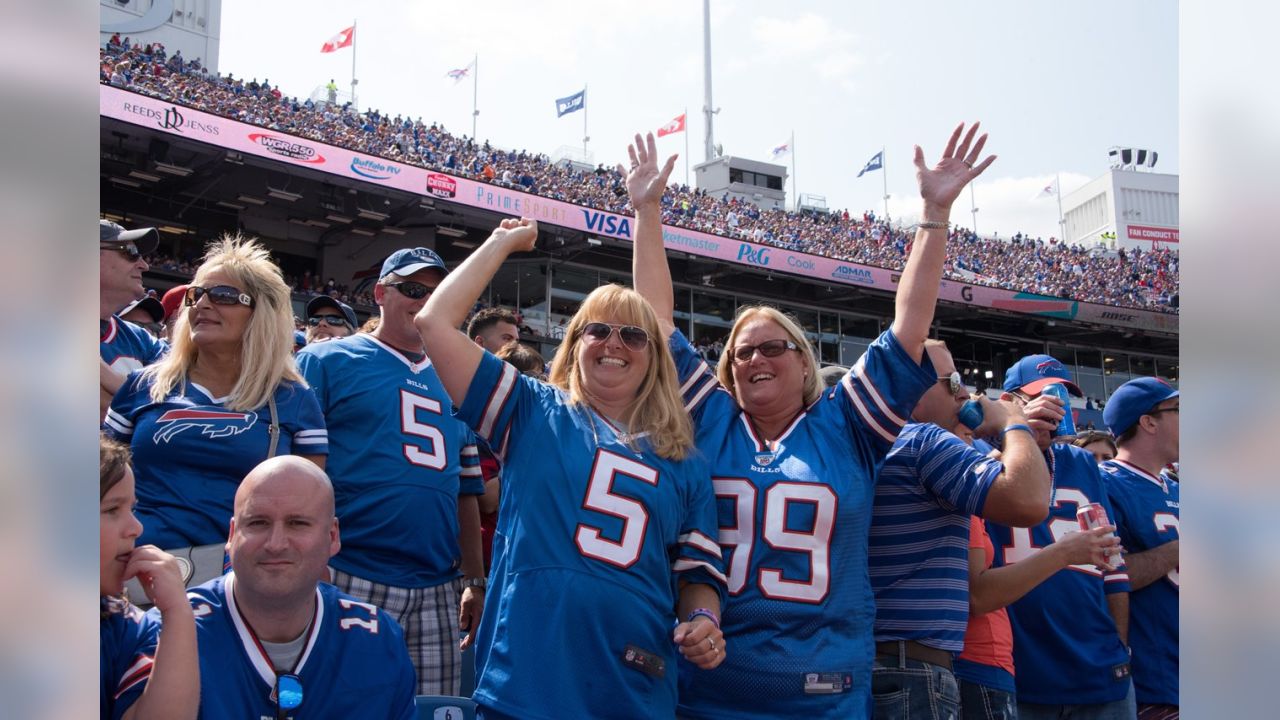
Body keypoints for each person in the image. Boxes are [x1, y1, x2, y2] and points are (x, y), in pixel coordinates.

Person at [625, 124, 995, 719]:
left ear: (804, 364)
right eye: (742, 352)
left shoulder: (848, 423)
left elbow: (909, 326)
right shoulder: (713, 417)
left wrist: (934, 214)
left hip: (824, 690)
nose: (755, 359)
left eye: (773, 348)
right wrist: (647, 212)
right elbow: (656, 320)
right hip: (710, 689)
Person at [414, 217, 727, 720]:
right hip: (527, 678)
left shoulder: (683, 459)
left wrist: (704, 619)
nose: (614, 343)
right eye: (598, 330)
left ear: (656, 356)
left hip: (633, 684)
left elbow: (696, 573)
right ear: (575, 341)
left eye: (634, 335)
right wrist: (501, 242)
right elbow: (433, 323)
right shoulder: (532, 409)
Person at [296, 247, 485, 696]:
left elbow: (466, 490)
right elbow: (297, 470)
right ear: (380, 293)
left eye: (438, 292)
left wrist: (475, 581)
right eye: (414, 289)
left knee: (431, 707)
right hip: (349, 569)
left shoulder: (461, 376)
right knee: (336, 703)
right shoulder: (326, 361)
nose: (426, 301)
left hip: (437, 583)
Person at [104, 235, 328, 562]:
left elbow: (306, 508)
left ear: (260, 312)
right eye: (197, 295)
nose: (203, 304)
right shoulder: (144, 386)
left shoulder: (293, 398)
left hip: (240, 580)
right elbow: (100, 486)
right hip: (135, 567)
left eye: (223, 295)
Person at [869, 340, 1054, 720]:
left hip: (874, 658)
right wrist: (1011, 421)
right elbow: (1030, 501)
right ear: (909, 386)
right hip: (914, 666)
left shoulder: (871, 443)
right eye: (951, 382)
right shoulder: (922, 440)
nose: (964, 393)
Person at [177, 456, 416, 719]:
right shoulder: (173, 630)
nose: (276, 543)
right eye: (258, 523)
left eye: (297, 523)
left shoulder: (378, 640)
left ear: (332, 536)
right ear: (232, 535)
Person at [984, 354, 1135, 719]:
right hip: (1021, 669)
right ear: (1009, 402)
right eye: (1041, 395)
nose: (1055, 405)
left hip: (1098, 666)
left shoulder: (1082, 462)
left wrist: (1119, 643)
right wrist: (1016, 432)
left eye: (1062, 395)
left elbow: (1113, 566)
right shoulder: (981, 453)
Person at [100, 436, 198, 720]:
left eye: (132, 508)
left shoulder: (125, 624)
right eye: (112, 510)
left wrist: (178, 612)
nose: (136, 528)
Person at [1100, 378, 1180, 718]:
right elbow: (1104, 575)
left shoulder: (1180, 489)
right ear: (1148, 421)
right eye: (1180, 410)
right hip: (1155, 681)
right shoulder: (1105, 481)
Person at [100, 220, 165, 418]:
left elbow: (174, 408)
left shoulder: (143, 340)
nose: (144, 265)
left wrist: (105, 376)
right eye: (130, 252)